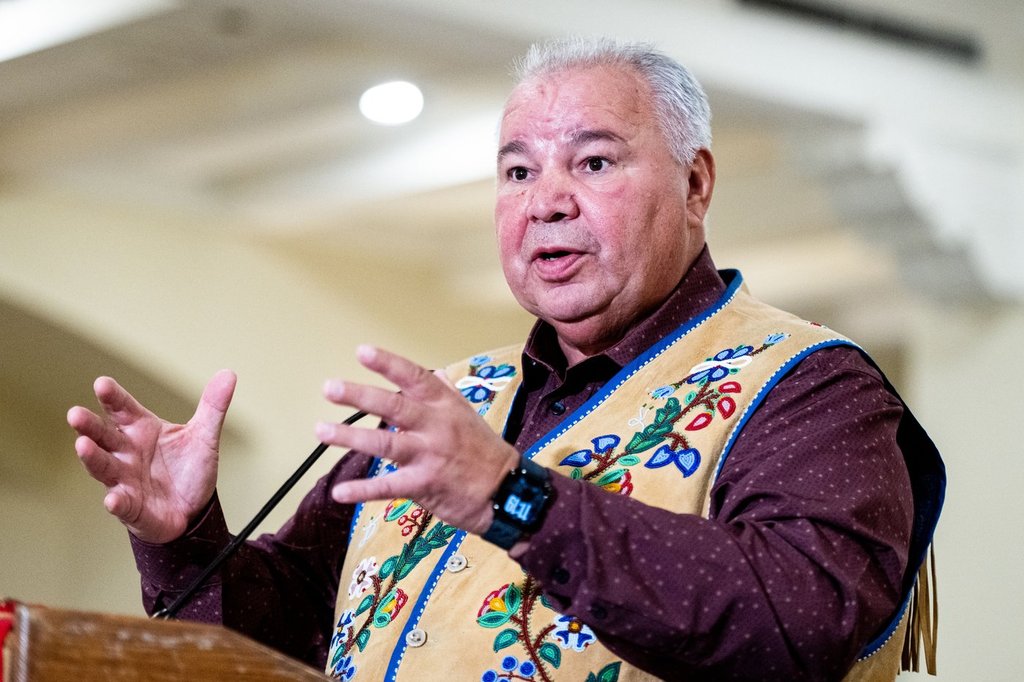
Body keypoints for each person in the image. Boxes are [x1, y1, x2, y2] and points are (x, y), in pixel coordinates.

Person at [67, 38, 944, 681]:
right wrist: (185, 539)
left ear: (695, 184)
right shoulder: (448, 401)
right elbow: (284, 635)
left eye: (593, 162)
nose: (546, 202)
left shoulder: (808, 385)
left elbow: (799, 621)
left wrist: (512, 497)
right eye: (518, 173)